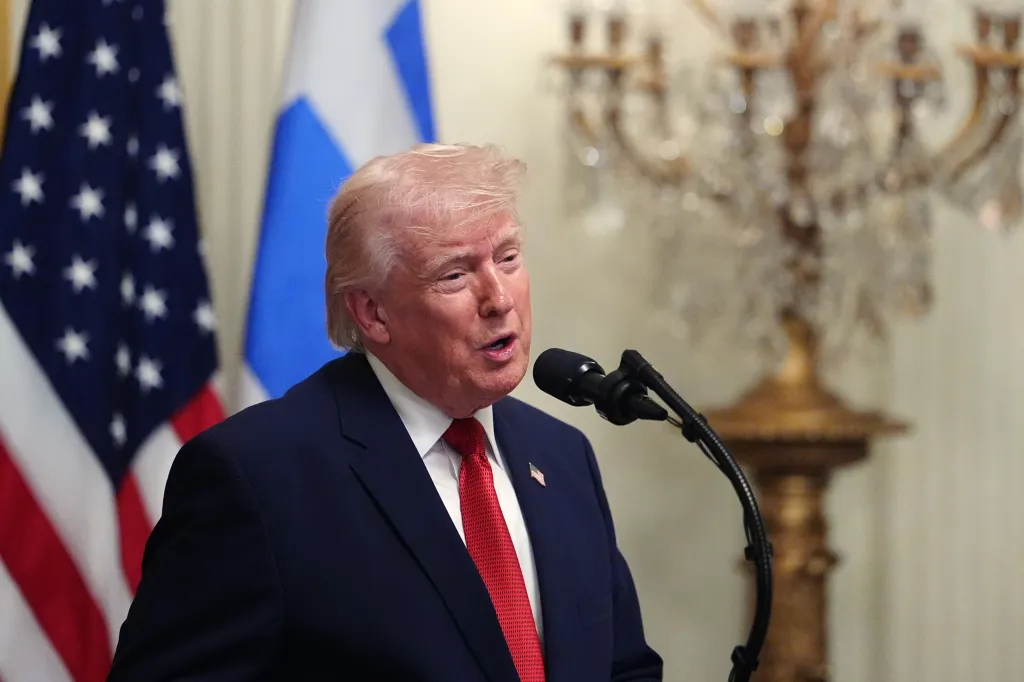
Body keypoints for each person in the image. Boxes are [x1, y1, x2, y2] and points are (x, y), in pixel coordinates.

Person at [107, 143, 663, 681]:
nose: (499, 298)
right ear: (372, 313)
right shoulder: (257, 475)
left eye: (508, 258)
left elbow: (623, 667)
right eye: (454, 274)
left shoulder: (562, 456)